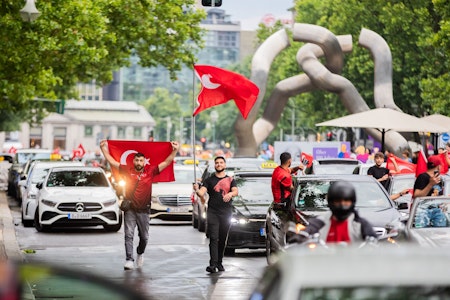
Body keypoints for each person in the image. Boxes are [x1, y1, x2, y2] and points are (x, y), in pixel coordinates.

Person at [100, 139, 179, 270]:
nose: (138, 163)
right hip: (130, 209)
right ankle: (129, 259)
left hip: (144, 210)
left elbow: (166, 162)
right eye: (136, 160)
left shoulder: (150, 171)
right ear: (133, 161)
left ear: (144, 161)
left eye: (141, 160)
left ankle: (140, 253)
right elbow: (112, 162)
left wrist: (175, 150)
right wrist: (104, 149)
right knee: (128, 235)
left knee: (144, 237)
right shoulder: (126, 169)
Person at [193, 156, 238, 273]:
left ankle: (219, 262)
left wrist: (231, 194)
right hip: (213, 212)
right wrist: (197, 190)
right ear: (214, 165)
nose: (219, 164)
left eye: (221, 163)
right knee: (213, 237)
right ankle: (212, 264)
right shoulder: (209, 180)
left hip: (226, 213)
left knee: (223, 238)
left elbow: (235, 191)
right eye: (217, 163)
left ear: (225, 165)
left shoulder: (230, 179)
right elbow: (202, 192)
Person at [295, 181, 377, 244]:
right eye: (337, 201)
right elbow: (307, 231)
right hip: (324, 264)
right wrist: (300, 237)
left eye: (346, 201)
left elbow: (376, 243)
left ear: (352, 201)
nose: (342, 204)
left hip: (355, 264)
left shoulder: (360, 224)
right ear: (331, 202)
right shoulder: (321, 222)